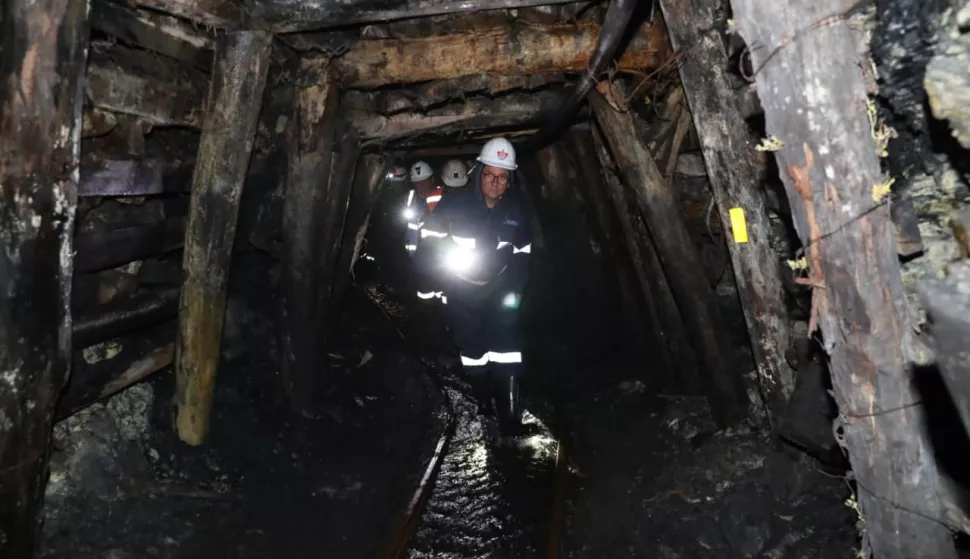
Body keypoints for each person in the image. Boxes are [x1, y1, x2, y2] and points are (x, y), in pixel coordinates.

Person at [413, 138, 533, 436]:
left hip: (501, 287)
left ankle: (510, 421)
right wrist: (432, 290)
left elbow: (523, 250)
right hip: (462, 290)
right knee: (474, 350)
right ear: (479, 172)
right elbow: (429, 247)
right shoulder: (454, 204)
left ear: (510, 179)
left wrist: (516, 288)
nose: (495, 182)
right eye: (490, 175)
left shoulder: (516, 207)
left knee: (508, 349)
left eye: (502, 177)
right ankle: (483, 403)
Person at [403, 160, 444, 258]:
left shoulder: (443, 195)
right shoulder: (409, 198)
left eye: (424, 182)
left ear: (432, 180)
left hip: (440, 253)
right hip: (414, 254)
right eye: (417, 183)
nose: (420, 186)